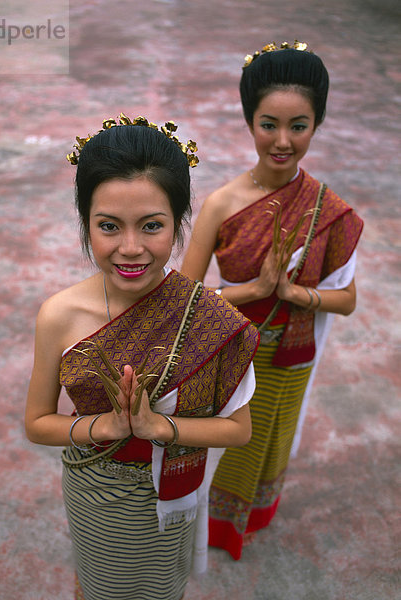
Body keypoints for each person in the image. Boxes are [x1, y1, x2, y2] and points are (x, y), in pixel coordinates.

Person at [24, 114, 259, 600]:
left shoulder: (207, 315)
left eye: (152, 226)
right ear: (86, 223)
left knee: (160, 589)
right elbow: (38, 423)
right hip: (95, 492)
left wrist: (159, 429)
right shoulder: (60, 315)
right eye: (109, 226)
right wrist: (105, 427)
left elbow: (238, 429)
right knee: (100, 585)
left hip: (172, 492)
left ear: (178, 225)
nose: (130, 249)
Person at [181, 41, 364, 560]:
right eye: (268, 124)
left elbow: (347, 300)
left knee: (272, 439)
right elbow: (185, 299)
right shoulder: (221, 203)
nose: (282, 141)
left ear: (316, 123)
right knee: (226, 448)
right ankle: (209, 531)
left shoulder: (329, 209)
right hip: (234, 354)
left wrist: (295, 294)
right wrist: (256, 291)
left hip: (291, 358)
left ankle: (250, 519)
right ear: (249, 119)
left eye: (299, 126)